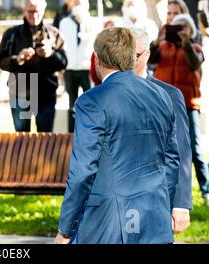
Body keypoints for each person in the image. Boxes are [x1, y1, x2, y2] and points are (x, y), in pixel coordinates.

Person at [55, 27, 179, 244]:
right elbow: (171, 161)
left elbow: (83, 170)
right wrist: (163, 207)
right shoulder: (161, 95)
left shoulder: (92, 101)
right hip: (155, 216)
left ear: (97, 59)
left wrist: (65, 229)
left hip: (110, 223)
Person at [131, 27, 192, 234]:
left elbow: (182, 150)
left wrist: (181, 203)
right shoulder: (104, 95)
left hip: (155, 198)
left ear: (146, 55)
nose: (127, 61)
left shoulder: (169, 94)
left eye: (134, 55)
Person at [148, 13, 209, 205]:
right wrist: (157, 40)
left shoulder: (195, 48)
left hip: (188, 104)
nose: (180, 30)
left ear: (191, 30)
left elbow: (195, 63)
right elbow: (149, 60)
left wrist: (186, 44)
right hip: (162, 104)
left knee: (195, 149)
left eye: (184, 27)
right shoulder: (162, 48)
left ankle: (206, 190)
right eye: (176, 27)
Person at [0, 0, 67, 132]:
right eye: (30, 11)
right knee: (22, 139)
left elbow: (64, 62)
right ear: (24, 11)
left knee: (45, 139)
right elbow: (0, 61)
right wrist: (18, 59)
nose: (34, 15)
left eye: (37, 11)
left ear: (43, 11)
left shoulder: (54, 34)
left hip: (46, 92)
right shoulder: (11, 34)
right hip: (20, 91)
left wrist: (50, 54)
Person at [59, 0, 102, 132]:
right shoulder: (65, 22)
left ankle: (90, 132)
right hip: (70, 67)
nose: (77, 6)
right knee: (72, 102)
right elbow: (62, 45)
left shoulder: (94, 23)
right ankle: (71, 133)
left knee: (90, 102)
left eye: (80, 3)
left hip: (87, 68)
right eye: (75, 3)